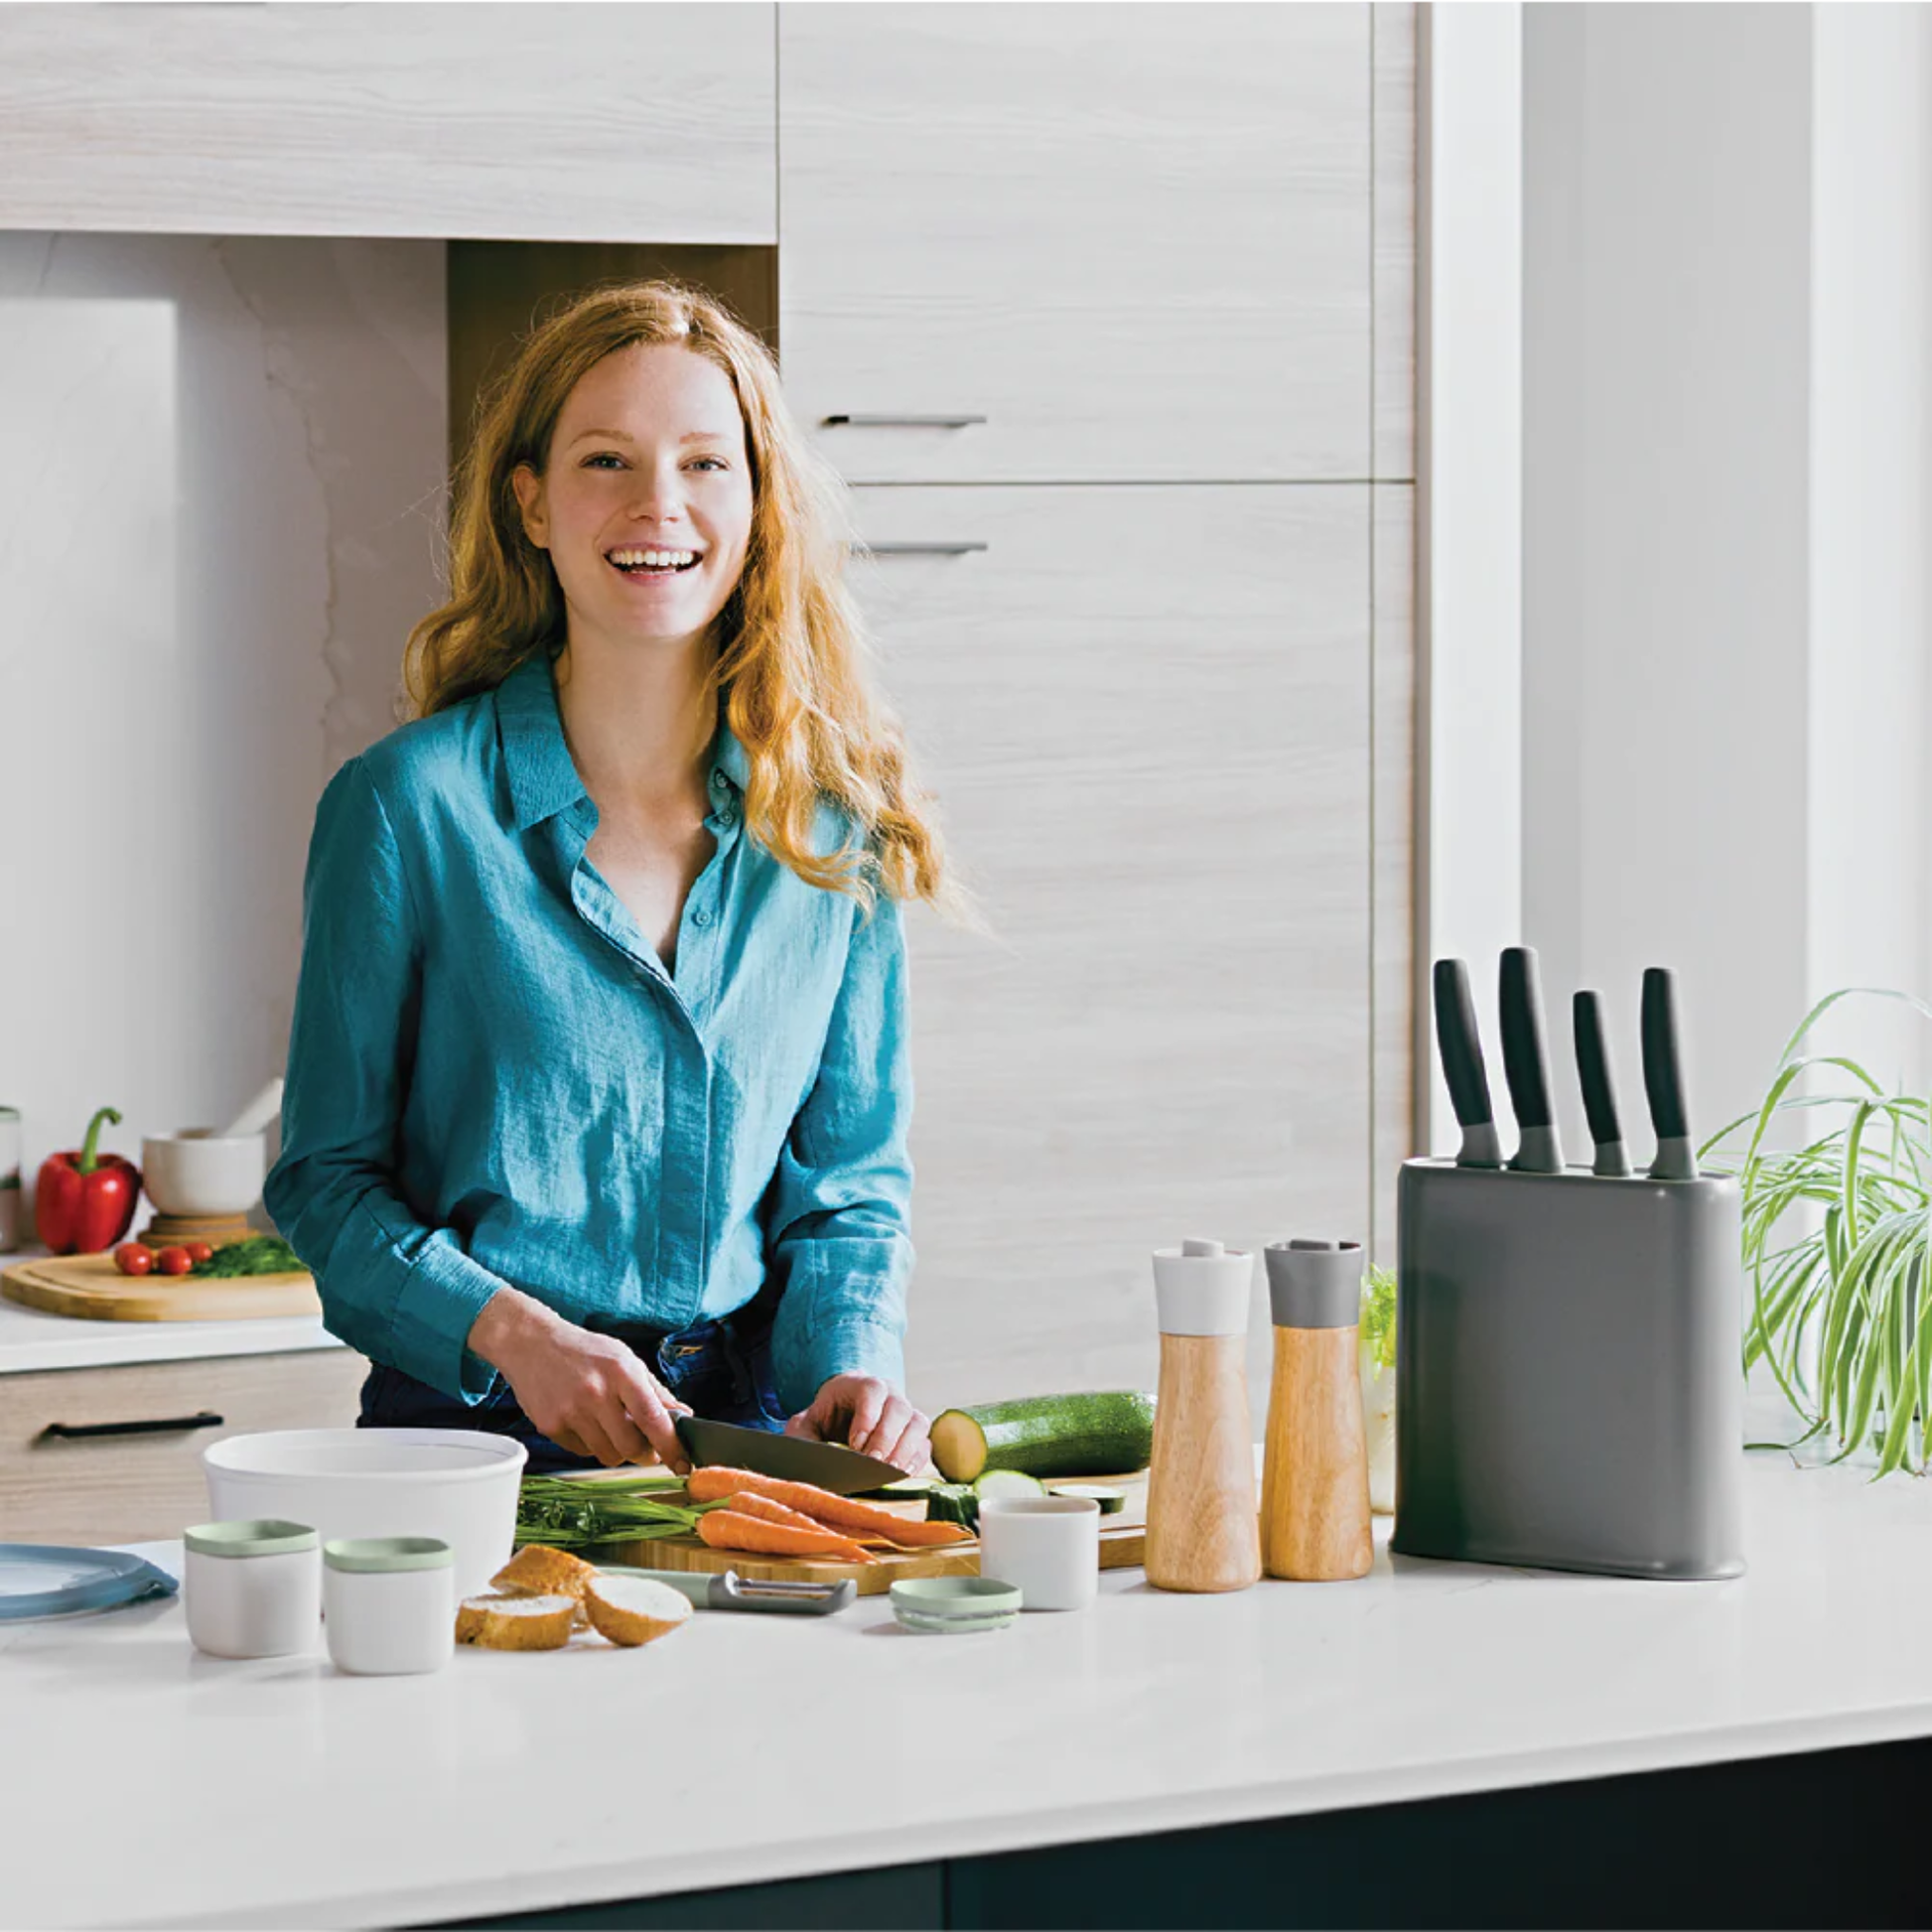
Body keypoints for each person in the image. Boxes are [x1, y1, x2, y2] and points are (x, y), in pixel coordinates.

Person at [263, 278, 971, 1478]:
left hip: (748, 1446)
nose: (659, 504)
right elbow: (325, 1187)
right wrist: (515, 1335)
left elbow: (846, 1190)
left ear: (758, 507)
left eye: (706, 463)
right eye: (607, 460)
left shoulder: (834, 828)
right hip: (468, 1446)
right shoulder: (406, 810)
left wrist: (854, 1361)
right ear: (531, 502)